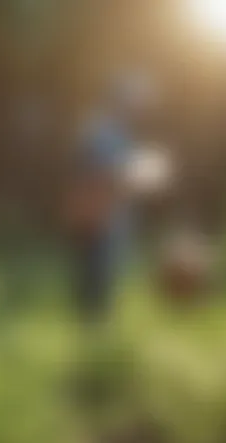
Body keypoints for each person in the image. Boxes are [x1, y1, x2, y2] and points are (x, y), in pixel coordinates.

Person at [64, 73, 155, 322]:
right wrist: (136, 174)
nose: (138, 110)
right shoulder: (103, 131)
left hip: (111, 215)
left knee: (105, 277)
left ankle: (96, 331)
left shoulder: (118, 132)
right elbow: (101, 173)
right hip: (99, 215)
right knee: (95, 278)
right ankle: (89, 332)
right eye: (134, 103)